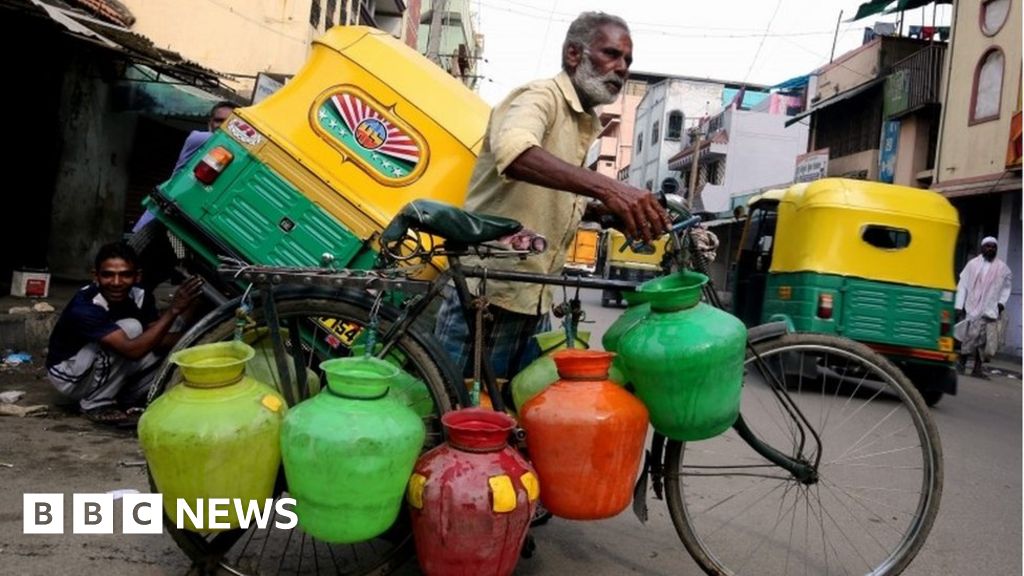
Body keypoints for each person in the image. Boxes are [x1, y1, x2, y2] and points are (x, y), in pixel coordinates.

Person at [434, 11, 670, 381]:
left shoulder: (582, 121)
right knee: (458, 417)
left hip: (535, 298)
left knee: (519, 420)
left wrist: (601, 210)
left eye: (627, 61)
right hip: (488, 296)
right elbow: (515, 154)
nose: (622, 68)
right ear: (574, 54)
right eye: (611, 54)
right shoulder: (539, 97)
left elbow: (551, 193)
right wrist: (611, 187)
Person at [46, 242, 204, 425]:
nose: (116, 283)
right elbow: (132, 351)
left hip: (101, 369)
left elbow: (157, 338)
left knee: (168, 352)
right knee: (132, 328)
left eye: (125, 275)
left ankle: (125, 398)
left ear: (137, 276)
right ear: (95, 276)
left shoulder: (140, 295)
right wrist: (173, 310)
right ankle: (96, 403)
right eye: (107, 275)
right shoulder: (86, 305)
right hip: (69, 376)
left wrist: (199, 339)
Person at [131, 100, 239, 292]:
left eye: (229, 122)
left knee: (152, 278)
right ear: (209, 123)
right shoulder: (198, 138)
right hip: (160, 219)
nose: (222, 126)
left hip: (183, 227)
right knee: (132, 272)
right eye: (219, 120)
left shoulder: (234, 158)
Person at [954, 236, 1012, 379]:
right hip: (972, 308)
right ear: (982, 248)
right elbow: (963, 286)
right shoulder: (972, 264)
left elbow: (1006, 288)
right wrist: (959, 305)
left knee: (984, 341)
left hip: (990, 310)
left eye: (993, 246)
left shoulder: (1003, 268)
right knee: (970, 336)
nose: (990, 249)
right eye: (988, 246)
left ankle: (977, 369)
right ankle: (961, 363)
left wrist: (1001, 303)